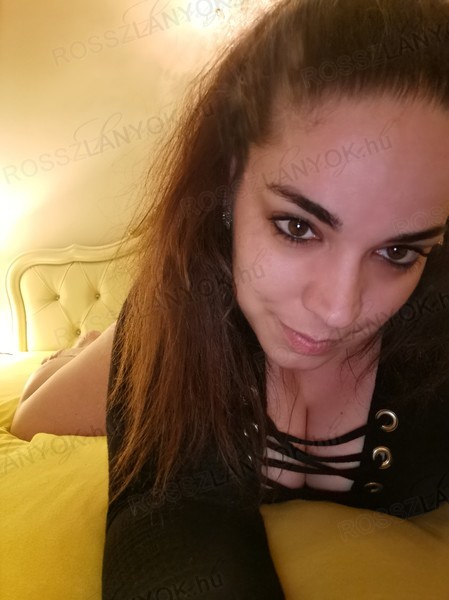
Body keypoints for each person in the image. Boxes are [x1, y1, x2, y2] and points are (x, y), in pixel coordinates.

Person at [10, 0, 449, 596]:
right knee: (33, 416)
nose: (339, 310)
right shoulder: (182, 304)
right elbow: (169, 523)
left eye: (398, 252)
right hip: (156, 320)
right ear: (229, 179)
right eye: (298, 227)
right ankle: (93, 347)